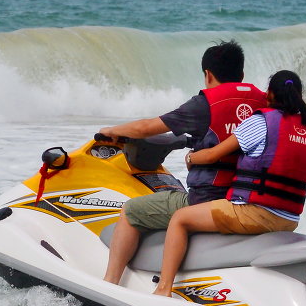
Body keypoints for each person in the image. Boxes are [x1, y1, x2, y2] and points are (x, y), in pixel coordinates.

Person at [100, 40, 267, 284]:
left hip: (207, 199)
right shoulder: (265, 102)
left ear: (207, 75)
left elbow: (146, 127)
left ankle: (110, 284)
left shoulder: (205, 104)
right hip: (246, 199)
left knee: (131, 211)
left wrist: (111, 130)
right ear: (241, 74)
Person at [152, 70, 306, 297]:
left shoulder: (261, 122)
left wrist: (191, 158)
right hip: (289, 219)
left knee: (180, 219)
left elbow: (213, 155)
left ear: (269, 94)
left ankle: (163, 288)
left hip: (255, 213)